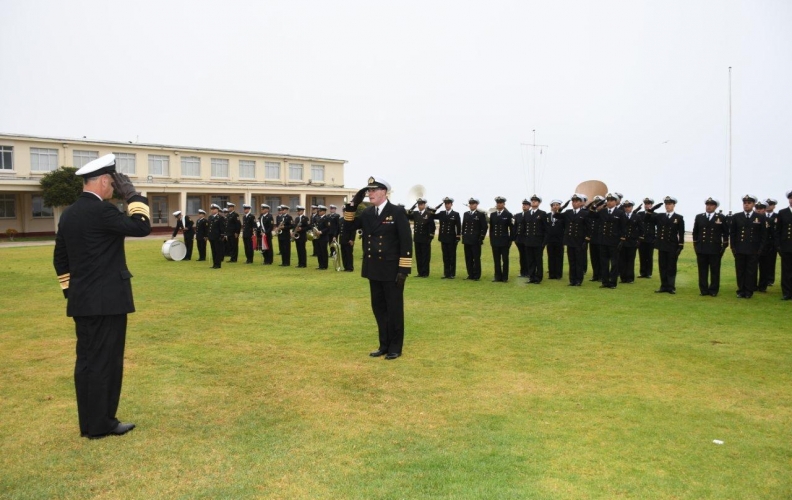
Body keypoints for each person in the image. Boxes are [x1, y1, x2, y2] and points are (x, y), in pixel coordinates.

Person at [53, 153, 151, 439]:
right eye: (114, 184)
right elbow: (141, 227)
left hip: (83, 301)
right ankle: (102, 424)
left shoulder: (69, 213)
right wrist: (133, 196)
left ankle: (89, 423)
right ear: (106, 181)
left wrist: (73, 292)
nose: (114, 189)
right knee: (106, 363)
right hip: (107, 302)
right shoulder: (103, 211)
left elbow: (60, 258)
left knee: (86, 362)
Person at [344, 176, 412, 360]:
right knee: (379, 309)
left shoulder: (396, 212)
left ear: (384, 192)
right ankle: (383, 345)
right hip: (374, 268)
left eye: (373, 190)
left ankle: (395, 347)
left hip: (392, 270)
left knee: (394, 310)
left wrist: (403, 270)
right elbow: (348, 225)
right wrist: (352, 204)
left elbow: (406, 241)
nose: (370, 193)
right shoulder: (367, 213)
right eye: (368, 191)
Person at [645, 196, 685, 294]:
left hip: (672, 245)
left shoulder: (678, 218)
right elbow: (646, 220)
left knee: (671, 266)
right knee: (662, 266)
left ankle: (671, 287)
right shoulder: (660, 216)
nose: (667, 206)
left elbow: (681, 233)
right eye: (666, 204)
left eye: (669, 204)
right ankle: (663, 286)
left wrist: (680, 246)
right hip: (662, 245)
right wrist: (651, 210)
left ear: (674, 205)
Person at [692, 197, 729, 297]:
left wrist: (724, 245)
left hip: (715, 249)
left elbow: (725, 233)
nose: (709, 207)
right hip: (702, 248)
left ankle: (713, 290)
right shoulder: (699, 217)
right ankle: (703, 290)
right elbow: (695, 232)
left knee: (715, 271)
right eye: (707, 205)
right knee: (702, 270)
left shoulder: (721, 217)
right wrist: (696, 245)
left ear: (715, 207)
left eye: (711, 205)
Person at [554, 193, 590, 286]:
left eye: (577, 201)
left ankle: (578, 280)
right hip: (570, 240)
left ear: (581, 203)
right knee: (572, 261)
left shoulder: (585, 213)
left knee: (579, 261)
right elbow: (556, 216)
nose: (574, 203)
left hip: (579, 241)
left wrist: (586, 240)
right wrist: (560, 209)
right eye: (573, 201)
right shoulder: (568, 212)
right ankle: (572, 280)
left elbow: (588, 227)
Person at [595, 193, 626, 289]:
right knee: (604, 263)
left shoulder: (620, 213)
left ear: (616, 202)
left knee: (614, 263)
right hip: (603, 241)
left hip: (614, 242)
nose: (609, 202)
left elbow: (623, 227)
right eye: (607, 200)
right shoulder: (602, 212)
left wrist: (622, 240)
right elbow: (591, 215)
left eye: (611, 200)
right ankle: (605, 282)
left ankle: (613, 282)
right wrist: (597, 206)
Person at [461, 197, 488, 280]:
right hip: (467, 239)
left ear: (476, 205)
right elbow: (464, 226)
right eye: (471, 204)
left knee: (476, 258)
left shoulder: (480, 214)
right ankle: (470, 274)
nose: (472, 205)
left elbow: (484, 227)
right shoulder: (466, 214)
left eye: (473, 204)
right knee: (468, 258)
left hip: (475, 240)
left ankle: (477, 275)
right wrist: (463, 236)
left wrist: (481, 237)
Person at [522, 194, 546, 284]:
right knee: (530, 260)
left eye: (535, 201)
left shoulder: (542, 214)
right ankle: (531, 277)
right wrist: (524, 239)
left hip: (538, 241)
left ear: (539, 203)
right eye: (532, 201)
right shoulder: (527, 213)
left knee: (538, 260)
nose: (533, 202)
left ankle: (538, 277)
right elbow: (524, 228)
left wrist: (544, 242)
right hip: (528, 241)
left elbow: (545, 229)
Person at [409, 197, 436, 277]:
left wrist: (430, 237)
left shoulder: (429, 214)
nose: (420, 206)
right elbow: (407, 216)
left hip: (425, 238)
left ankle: (425, 273)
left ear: (424, 205)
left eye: (421, 204)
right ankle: (420, 272)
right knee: (418, 256)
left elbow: (432, 226)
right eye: (419, 204)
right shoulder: (415, 213)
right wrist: (410, 209)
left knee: (425, 256)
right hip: (417, 238)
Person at [434, 197, 461, 279]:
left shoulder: (455, 214)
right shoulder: (441, 213)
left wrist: (458, 236)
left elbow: (458, 226)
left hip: (452, 239)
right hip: (443, 238)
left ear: (451, 204)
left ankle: (452, 273)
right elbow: (432, 215)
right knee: (445, 256)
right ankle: (446, 273)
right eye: (445, 204)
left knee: (452, 256)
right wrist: (436, 207)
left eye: (448, 203)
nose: (447, 205)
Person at [618, 200, 643, 284]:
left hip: (632, 241)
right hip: (623, 241)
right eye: (625, 207)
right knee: (622, 260)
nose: (627, 208)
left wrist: (639, 240)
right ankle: (623, 277)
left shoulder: (637, 217)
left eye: (629, 206)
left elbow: (641, 229)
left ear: (632, 207)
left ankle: (630, 278)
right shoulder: (621, 216)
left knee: (630, 260)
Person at [490, 196, 513, 282]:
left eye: (500, 203)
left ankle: (504, 277)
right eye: (498, 203)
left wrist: (510, 240)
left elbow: (512, 228)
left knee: (505, 260)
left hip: (504, 241)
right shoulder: (493, 215)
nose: (499, 204)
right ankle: (497, 276)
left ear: (504, 204)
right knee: (496, 260)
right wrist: (492, 240)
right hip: (495, 241)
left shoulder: (508, 215)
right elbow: (491, 229)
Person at [776, 190, 792, 301]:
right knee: (786, 270)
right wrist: (778, 245)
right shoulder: (783, 212)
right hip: (786, 246)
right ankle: (787, 293)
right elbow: (778, 231)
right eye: (790, 198)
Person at [545, 200, 566, 280]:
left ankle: (558, 274)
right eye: (553, 205)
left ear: (560, 206)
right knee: (551, 257)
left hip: (559, 239)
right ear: (551, 207)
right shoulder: (547, 215)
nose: (555, 206)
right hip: (550, 240)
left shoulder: (563, 216)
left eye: (557, 205)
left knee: (559, 257)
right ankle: (551, 274)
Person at [764, 198, 779, 287]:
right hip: (763, 243)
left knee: (771, 261)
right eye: (767, 204)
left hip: (773, 243)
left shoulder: (778, 216)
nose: (769, 206)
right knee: (761, 263)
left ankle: (770, 279)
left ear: (774, 206)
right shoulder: (762, 216)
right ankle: (762, 280)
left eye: (771, 204)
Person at [513, 200, 530, 277]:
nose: (524, 206)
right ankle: (522, 272)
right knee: (522, 256)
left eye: (526, 205)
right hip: (519, 239)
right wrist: (515, 237)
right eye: (523, 205)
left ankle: (529, 272)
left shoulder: (530, 214)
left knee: (528, 256)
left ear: (529, 206)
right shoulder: (518, 215)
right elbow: (515, 227)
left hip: (527, 239)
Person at [207, 204, 226, 269]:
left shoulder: (220, 218)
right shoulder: (210, 217)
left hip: (217, 237)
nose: (212, 210)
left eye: (214, 209)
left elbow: (222, 228)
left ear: (217, 210)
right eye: (212, 209)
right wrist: (208, 235)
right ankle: (214, 264)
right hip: (211, 237)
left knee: (218, 251)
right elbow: (209, 227)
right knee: (213, 251)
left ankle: (218, 264)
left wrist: (222, 236)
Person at [314, 205, 331, 269]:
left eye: (320, 211)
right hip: (318, 237)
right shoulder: (318, 218)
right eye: (318, 211)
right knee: (319, 252)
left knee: (323, 251)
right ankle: (320, 265)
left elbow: (328, 228)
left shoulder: (327, 218)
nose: (319, 212)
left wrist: (321, 232)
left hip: (324, 237)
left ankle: (324, 265)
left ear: (324, 211)